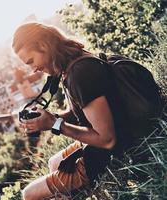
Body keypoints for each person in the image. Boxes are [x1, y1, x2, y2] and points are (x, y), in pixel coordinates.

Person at [12, 22, 162, 200]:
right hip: (112, 131)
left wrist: (55, 124)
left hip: (114, 147)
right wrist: (51, 118)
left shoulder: (80, 74)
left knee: (28, 194)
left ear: (44, 46)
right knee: (54, 163)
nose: (33, 69)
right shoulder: (74, 62)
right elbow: (84, 111)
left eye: (31, 61)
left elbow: (107, 140)